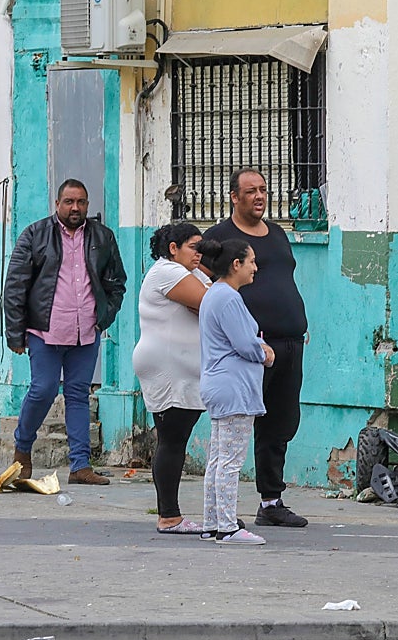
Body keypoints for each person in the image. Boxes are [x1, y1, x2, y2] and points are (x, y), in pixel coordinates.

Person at [201, 168, 309, 527]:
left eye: (263, 190)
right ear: (234, 197)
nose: (259, 196)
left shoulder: (277, 234)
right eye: (250, 191)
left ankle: (271, 501)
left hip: (289, 343)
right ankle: (224, 516)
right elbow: (204, 283)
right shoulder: (220, 237)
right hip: (249, 350)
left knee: (281, 423)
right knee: (238, 430)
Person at [4, 179, 126, 486]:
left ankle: (80, 466)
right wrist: (15, 334)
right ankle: (23, 449)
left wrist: (103, 318)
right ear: (57, 204)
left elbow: (116, 283)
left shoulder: (102, 236)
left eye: (81, 202)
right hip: (44, 330)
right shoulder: (35, 234)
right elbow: (15, 285)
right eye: (69, 202)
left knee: (78, 395)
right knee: (43, 389)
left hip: (86, 331)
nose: (75, 208)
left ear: (87, 205)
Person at [132, 223, 210, 534]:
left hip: (182, 366)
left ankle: (173, 514)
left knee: (176, 438)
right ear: (173, 248)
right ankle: (168, 516)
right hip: (167, 366)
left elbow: (210, 299)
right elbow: (212, 302)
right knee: (172, 439)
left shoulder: (190, 274)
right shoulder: (166, 271)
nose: (200, 253)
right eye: (193, 246)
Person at [196, 238, 274, 545]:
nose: (255, 267)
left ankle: (212, 522)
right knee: (229, 461)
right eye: (251, 261)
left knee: (218, 459)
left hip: (221, 385)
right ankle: (227, 527)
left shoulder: (215, 295)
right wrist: (266, 352)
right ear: (236, 265)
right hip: (233, 389)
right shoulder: (227, 298)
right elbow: (245, 343)